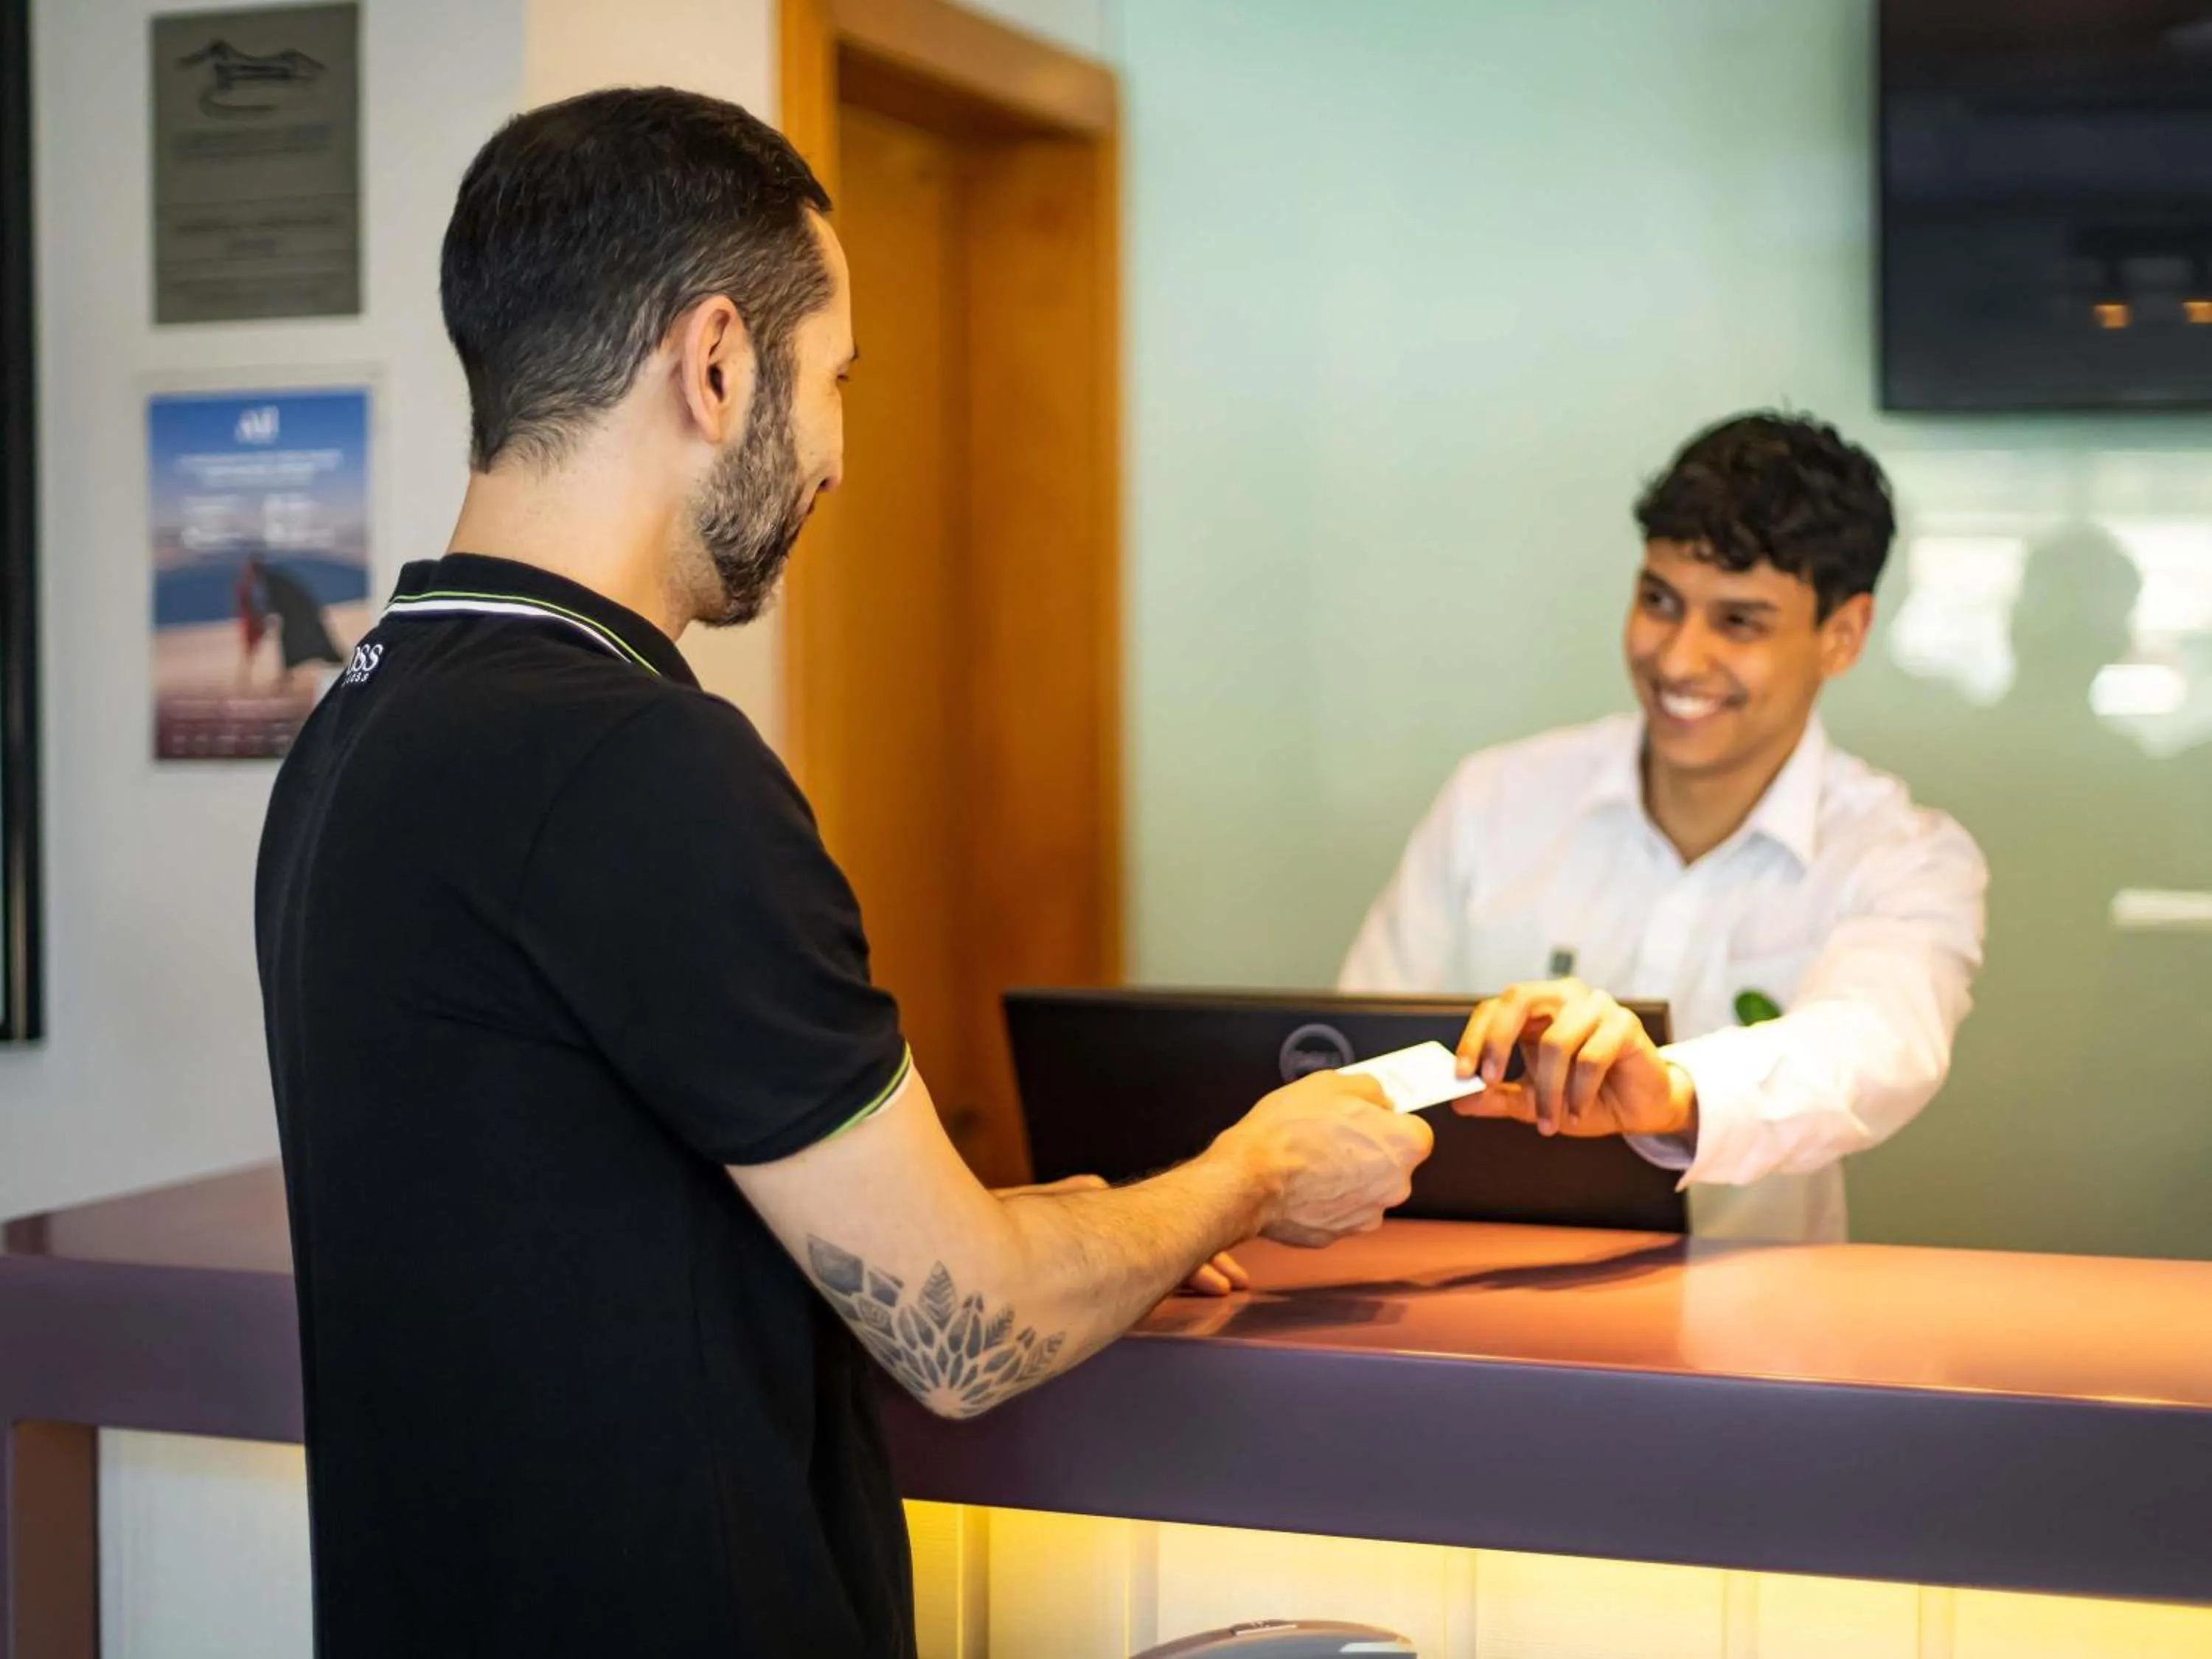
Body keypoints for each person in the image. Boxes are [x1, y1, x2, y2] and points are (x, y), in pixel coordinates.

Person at [254, 89, 1430, 1659]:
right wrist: (1252, 1174)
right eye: (836, 382)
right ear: (719, 360)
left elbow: (577, 1210)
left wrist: (1045, 1221)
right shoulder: (639, 766)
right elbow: (965, 1333)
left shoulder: (365, 722)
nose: (838, 454)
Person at [1340, 413, 1986, 1243]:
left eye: (1739, 622)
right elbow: (1360, 1060)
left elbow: (1877, 1046)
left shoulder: (1904, 856)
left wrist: (1670, 1088)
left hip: (1753, 1341)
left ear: (1843, 634)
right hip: (1455, 1309)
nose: (1678, 660)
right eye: (1660, 602)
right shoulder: (1496, 799)